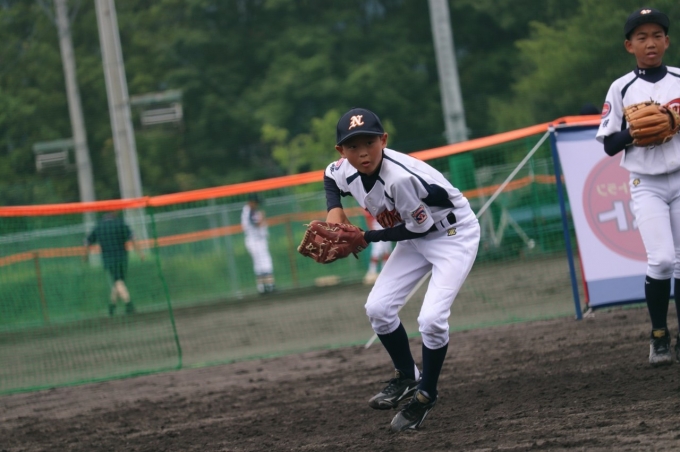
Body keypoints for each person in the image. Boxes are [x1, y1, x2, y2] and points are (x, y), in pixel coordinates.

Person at [324, 107, 480, 432]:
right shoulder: (344, 169)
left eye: (369, 142)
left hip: (452, 235)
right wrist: (334, 211)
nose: (362, 153)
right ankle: (408, 375)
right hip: (413, 237)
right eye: (353, 146)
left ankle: (426, 394)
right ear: (341, 150)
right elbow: (329, 176)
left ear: (383, 140)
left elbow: (420, 228)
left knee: (431, 320)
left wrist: (365, 237)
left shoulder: (399, 178)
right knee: (378, 309)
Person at [596, 7, 680, 366]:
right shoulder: (622, 88)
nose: (651, 43)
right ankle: (659, 335)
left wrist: (673, 119)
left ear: (667, 41)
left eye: (657, 35)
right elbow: (609, 144)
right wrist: (634, 132)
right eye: (642, 37)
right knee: (661, 260)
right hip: (646, 183)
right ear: (629, 45)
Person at [84, 211, 144, 316]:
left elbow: (87, 242)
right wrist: (140, 253)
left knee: (118, 281)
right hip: (122, 257)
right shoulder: (120, 223)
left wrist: (85, 256)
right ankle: (119, 305)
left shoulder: (99, 226)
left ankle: (121, 305)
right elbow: (133, 237)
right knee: (119, 281)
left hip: (109, 259)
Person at [241, 193, 275, 294]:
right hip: (256, 241)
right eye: (256, 202)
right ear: (251, 202)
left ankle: (262, 287)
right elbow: (257, 224)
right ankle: (269, 286)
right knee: (265, 262)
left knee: (259, 264)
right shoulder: (249, 211)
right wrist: (262, 217)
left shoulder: (248, 210)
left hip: (255, 240)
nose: (257, 205)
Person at [362, 210, 392, 285]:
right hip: (377, 227)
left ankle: (384, 272)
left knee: (386, 251)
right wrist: (372, 231)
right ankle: (371, 272)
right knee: (376, 252)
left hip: (386, 227)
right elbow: (368, 218)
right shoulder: (369, 207)